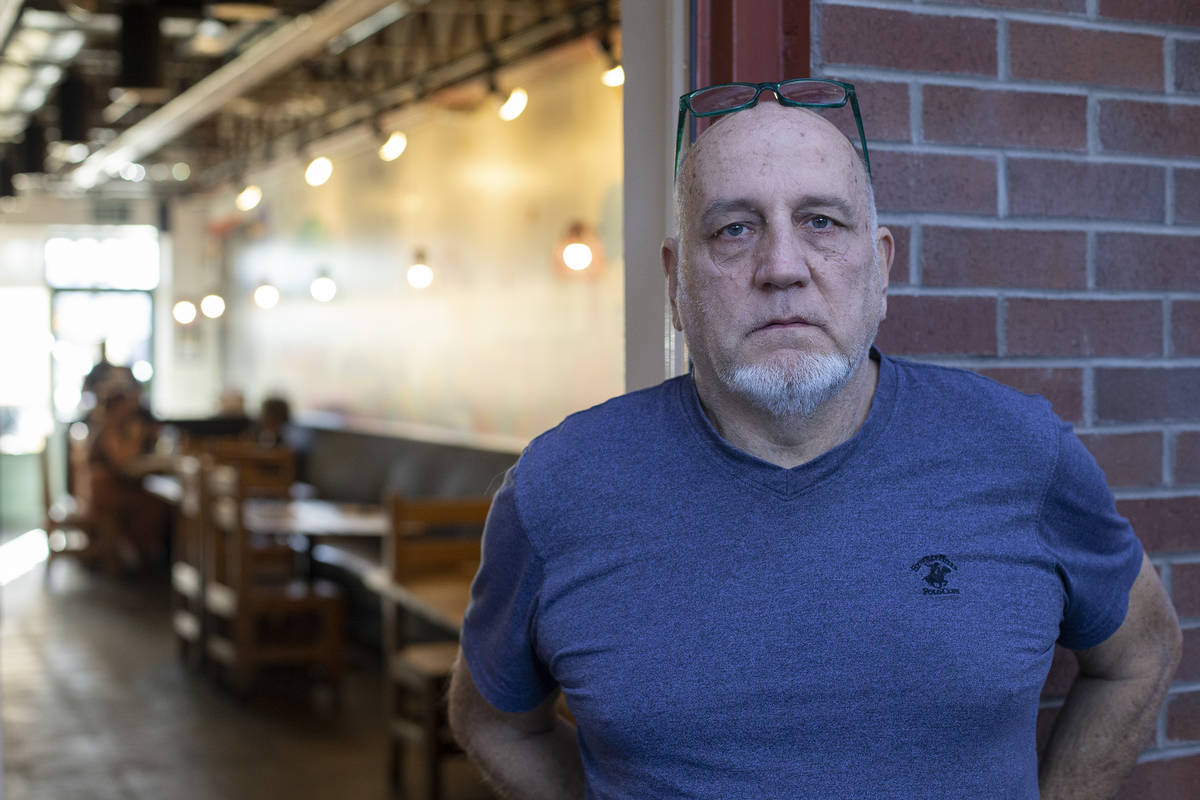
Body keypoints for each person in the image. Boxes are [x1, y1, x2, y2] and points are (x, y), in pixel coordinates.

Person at [448, 81, 1182, 799]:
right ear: (676, 284)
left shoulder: (1020, 451)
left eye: (822, 222)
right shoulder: (560, 487)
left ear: (882, 268)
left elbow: (1142, 651)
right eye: (734, 229)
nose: (782, 268)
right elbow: (496, 723)